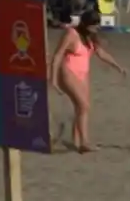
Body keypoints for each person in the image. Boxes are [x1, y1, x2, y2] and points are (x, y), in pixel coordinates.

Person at [48, 10, 125, 153]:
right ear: (86, 24)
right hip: (68, 72)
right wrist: (53, 79)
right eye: (94, 26)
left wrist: (117, 66)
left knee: (82, 108)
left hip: (83, 74)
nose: (96, 29)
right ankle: (85, 142)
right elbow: (57, 56)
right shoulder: (71, 34)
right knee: (83, 106)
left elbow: (101, 53)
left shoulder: (90, 37)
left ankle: (77, 141)